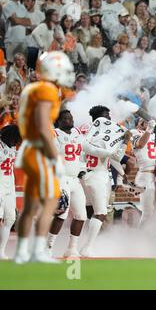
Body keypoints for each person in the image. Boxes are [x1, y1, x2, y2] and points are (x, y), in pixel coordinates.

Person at [14, 51, 75, 264]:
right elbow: (41, 124)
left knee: (30, 207)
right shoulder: (47, 90)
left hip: (29, 148)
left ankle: (22, 251)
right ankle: (38, 251)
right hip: (40, 150)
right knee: (50, 203)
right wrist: (54, 157)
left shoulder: (32, 88)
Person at [79, 105, 131, 257]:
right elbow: (116, 156)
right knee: (101, 213)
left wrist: (121, 172)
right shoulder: (102, 136)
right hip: (98, 176)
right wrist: (124, 142)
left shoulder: (88, 132)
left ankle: (78, 244)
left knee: (88, 213)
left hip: (85, 175)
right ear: (100, 117)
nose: (109, 118)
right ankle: (87, 247)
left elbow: (109, 157)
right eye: (107, 115)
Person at [47, 110, 86, 258]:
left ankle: (72, 248)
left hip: (75, 179)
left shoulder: (77, 134)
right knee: (61, 213)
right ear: (59, 121)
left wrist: (82, 170)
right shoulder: (54, 134)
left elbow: (81, 156)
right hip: (61, 178)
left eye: (70, 118)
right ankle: (48, 248)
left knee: (81, 215)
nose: (69, 120)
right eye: (65, 118)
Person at [130, 118, 156, 228]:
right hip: (146, 175)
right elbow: (140, 144)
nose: (146, 121)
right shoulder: (134, 132)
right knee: (148, 212)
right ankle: (139, 238)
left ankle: (155, 238)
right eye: (143, 120)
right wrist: (149, 129)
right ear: (138, 123)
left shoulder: (155, 136)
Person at [0, 124, 21, 260]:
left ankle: (1, 251)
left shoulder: (12, 147)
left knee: (10, 218)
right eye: (16, 139)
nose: (17, 142)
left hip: (9, 187)